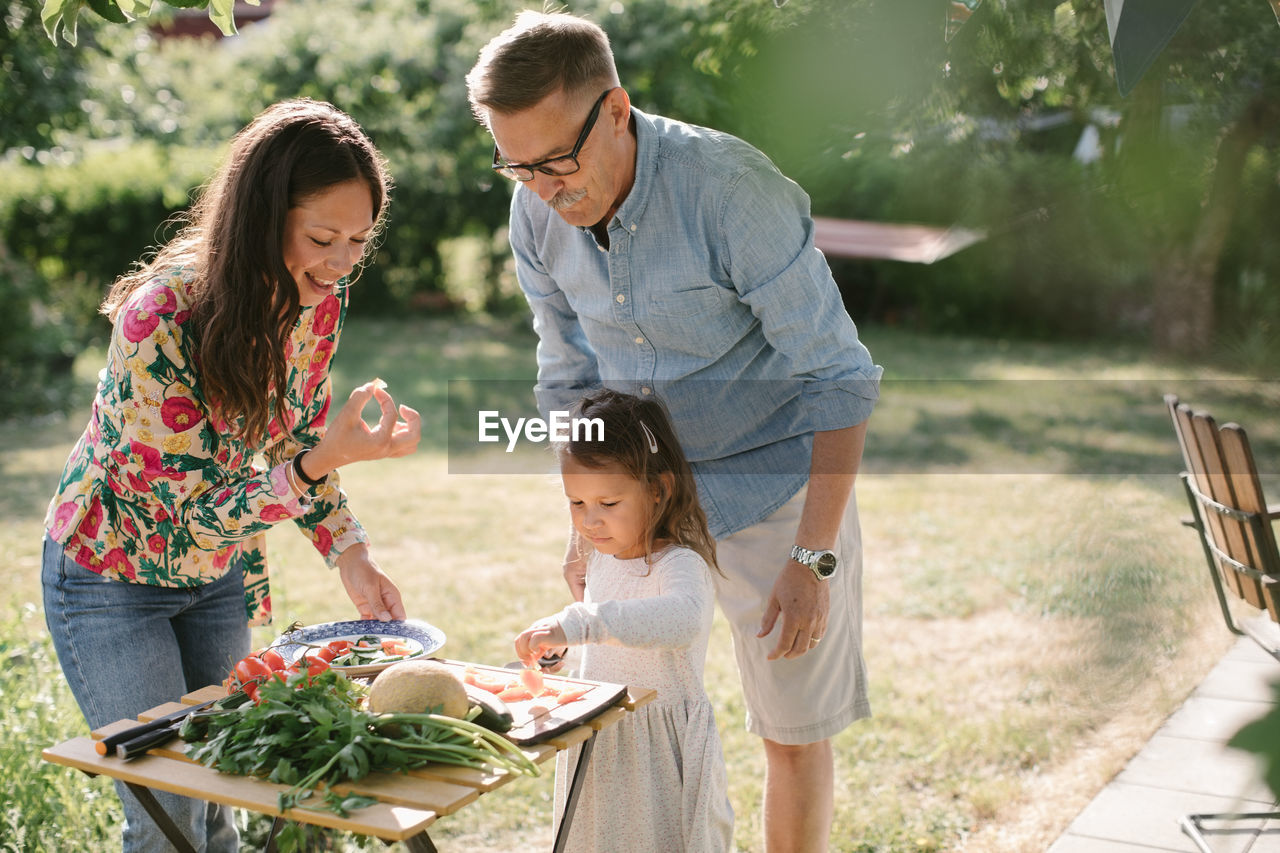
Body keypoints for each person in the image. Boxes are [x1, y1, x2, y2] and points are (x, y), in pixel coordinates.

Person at [467, 12, 883, 852]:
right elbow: (566, 377)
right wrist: (583, 521)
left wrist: (813, 557)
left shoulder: (731, 190)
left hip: (775, 488)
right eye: (518, 165)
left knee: (793, 733)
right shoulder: (535, 211)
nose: (542, 187)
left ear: (616, 110)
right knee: (628, 726)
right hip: (645, 504)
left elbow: (839, 376)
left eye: (556, 160)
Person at [41, 98, 421, 853]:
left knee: (223, 797)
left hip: (217, 570)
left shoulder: (316, 303)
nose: (344, 263)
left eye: (358, 240)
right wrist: (319, 462)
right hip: (112, 577)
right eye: (323, 237)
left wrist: (351, 551)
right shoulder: (160, 319)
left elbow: (292, 439)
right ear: (262, 216)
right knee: (170, 815)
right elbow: (185, 513)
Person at [514, 388, 734, 853]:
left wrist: (579, 623)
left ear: (658, 489)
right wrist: (560, 655)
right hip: (603, 740)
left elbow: (681, 620)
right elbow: (607, 641)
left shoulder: (679, 564)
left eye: (608, 504)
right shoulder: (602, 558)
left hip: (658, 750)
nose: (590, 522)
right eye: (577, 504)